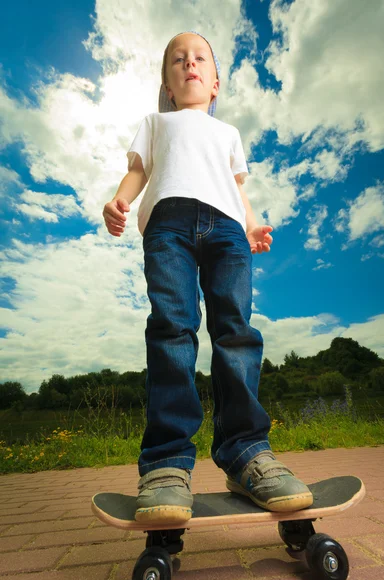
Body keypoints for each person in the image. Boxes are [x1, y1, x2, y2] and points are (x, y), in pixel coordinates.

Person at [102, 30, 313, 526]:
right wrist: (120, 200)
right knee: (174, 328)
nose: (189, 64)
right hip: (168, 224)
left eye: (199, 59)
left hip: (227, 230)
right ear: (168, 86)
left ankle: (246, 453)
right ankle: (167, 464)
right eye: (178, 60)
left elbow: (237, 189)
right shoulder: (156, 122)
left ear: (215, 83)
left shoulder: (228, 135)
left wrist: (252, 223)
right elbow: (138, 170)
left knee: (235, 331)